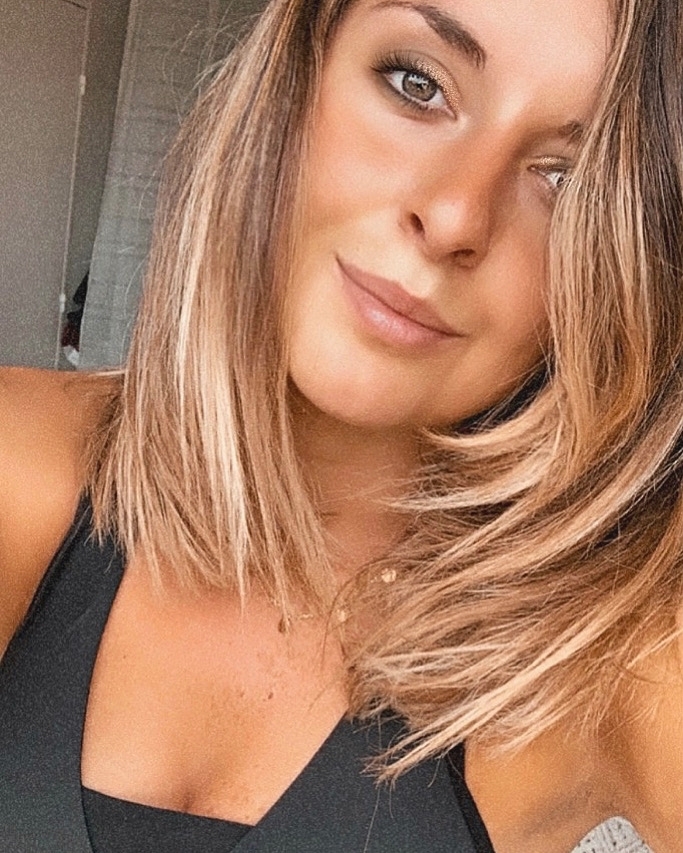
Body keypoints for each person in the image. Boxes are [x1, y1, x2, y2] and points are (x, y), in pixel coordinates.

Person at [0, 0, 680, 850]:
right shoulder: (20, 464)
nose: (454, 216)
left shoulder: (610, 652)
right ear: (294, 77)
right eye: (416, 83)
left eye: (569, 180)